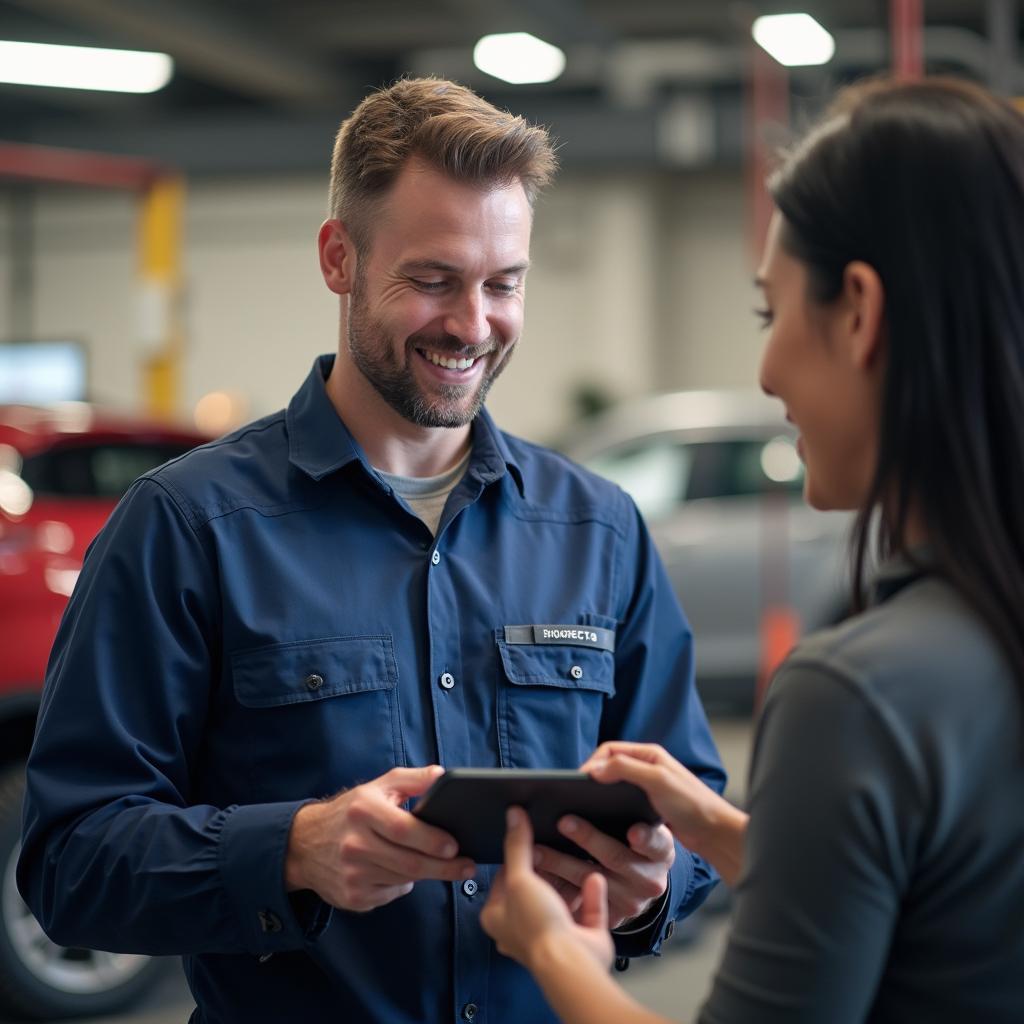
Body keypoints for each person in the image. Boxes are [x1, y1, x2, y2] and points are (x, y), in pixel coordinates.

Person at [17, 77, 726, 1023]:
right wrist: (295, 849)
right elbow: (70, 862)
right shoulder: (186, 529)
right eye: (432, 280)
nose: (474, 325)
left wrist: (654, 887)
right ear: (338, 258)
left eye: (503, 284)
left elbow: (696, 814)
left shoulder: (598, 529)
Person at [480, 76, 1024, 1023]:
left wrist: (556, 954)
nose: (766, 373)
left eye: (771, 316)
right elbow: (937, 901)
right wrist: (728, 831)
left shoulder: (859, 694)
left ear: (859, 311)